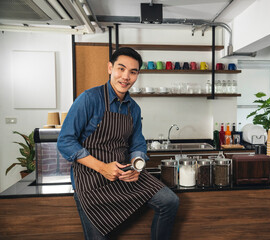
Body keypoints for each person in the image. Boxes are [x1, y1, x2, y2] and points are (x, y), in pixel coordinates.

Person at [57, 47, 179, 240]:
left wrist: (137, 166)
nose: (126, 77)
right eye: (121, 69)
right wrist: (102, 167)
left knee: (169, 201)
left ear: (137, 75)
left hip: (125, 174)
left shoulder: (134, 109)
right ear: (110, 68)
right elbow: (65, 141)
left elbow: (137, 144)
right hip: (91, 179)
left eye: (133, 72)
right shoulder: (89, 99)